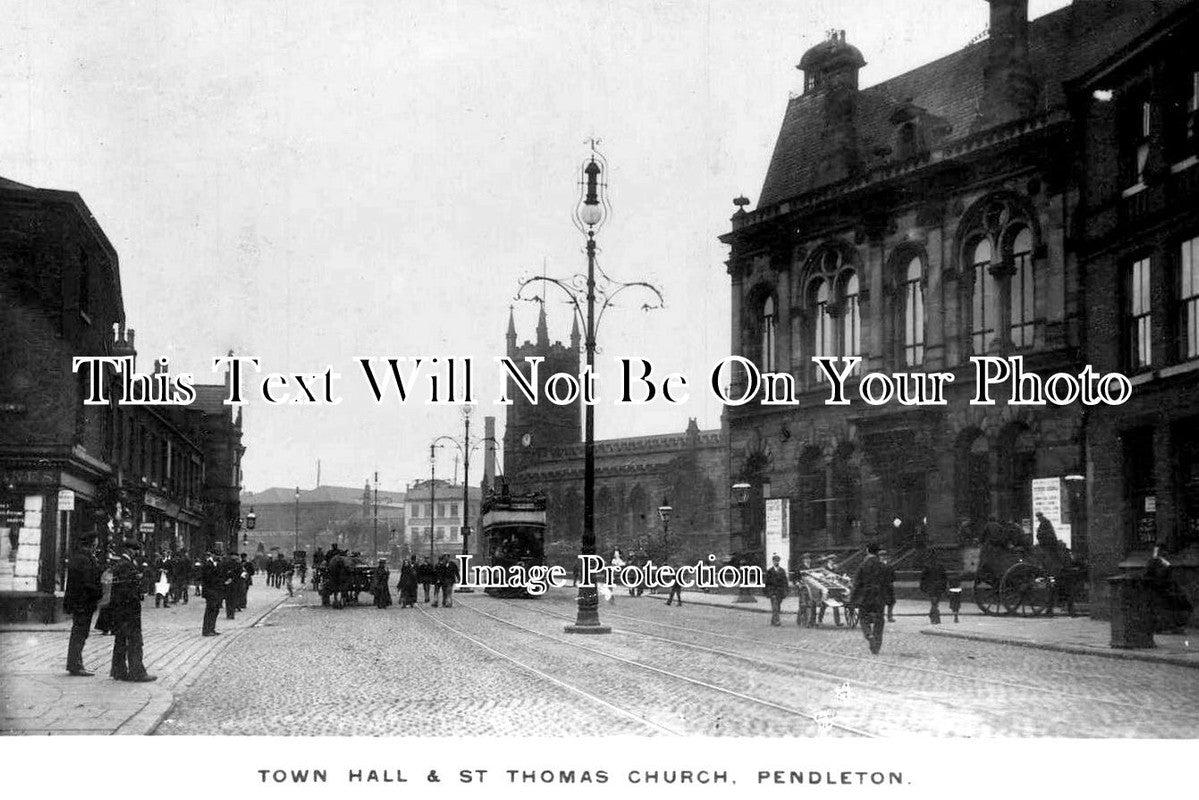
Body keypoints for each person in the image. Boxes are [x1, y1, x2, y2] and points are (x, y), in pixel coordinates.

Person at [109, 540, 155, 682]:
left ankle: (119, 671)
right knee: (135, 640)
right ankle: (137, 672)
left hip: (120, 609)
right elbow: (127, 588)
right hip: (129, 609)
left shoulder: (121, 564)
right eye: (135, 551)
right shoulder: (126, 565)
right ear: (130, 550)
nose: (136, 553)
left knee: (121, 639)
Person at [64, 532, 103, 676]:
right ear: (92, 542)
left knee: (79, 633)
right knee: (80, 633)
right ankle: (75, 665)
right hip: (83, 603)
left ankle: (75, 663)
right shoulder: (84, 559)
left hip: (81, 602)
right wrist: (98, 593)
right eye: (96, 541)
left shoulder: (81, 557)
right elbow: (87, 582)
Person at [849, 543, 889, 655]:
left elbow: (856, 584)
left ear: (867, 551)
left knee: (863, 618)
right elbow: (888, 583)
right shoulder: (883, 566)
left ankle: (869, 635)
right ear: (877, 552)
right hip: (879, 597)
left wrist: (852, 600)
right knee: (879, 620)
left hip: (865, 597)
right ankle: (877, 643)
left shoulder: (863, 565)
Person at [1146, 544, 1193, 633]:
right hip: (1159, 589)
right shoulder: (1156, 563)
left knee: (1180, 601)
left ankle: (1175, 626)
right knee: (1173, 602)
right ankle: (1167, 627)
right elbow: (1156, 576)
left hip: (1166, 588)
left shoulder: (1162, 563)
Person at [918, 549, 948, 624]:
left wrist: (922, 587)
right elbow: (944, 577)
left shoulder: (927, 566)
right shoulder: (940, 566)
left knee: (934, 603)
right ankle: (936, 617)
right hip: (938, 587)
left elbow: (923, 578)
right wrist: (944, 586)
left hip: (931, 587)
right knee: (935, 603)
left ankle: (933, 616)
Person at [200, 551, 223, 636]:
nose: (218, 557)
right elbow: (207, 578)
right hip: (210, 590)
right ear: (212, 555)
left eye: (219, 555)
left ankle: (212, 628)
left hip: (217, 591)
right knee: (210, 609)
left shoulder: (218, 564)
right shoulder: (207, 564)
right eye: (216, 555)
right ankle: (206, 630)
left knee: (216, 610)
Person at [764, 554, 789, 626]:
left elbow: (785, 582)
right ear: (773, 561)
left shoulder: (782, 571)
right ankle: (777, 621)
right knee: (775, 606)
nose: (776, 562)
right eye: (775, 561)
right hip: (773, 592)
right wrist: (768, 593)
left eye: (777, 561)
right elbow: (766, 583)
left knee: (778, 607)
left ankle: (773, 620)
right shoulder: (769, 571)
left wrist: (786, 591)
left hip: (780, 592)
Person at [882, 550, 897, 623]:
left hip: (884, 586)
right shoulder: (889, 566)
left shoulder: (889, 566)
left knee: (891, 601)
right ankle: (889, 616)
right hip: (887, 586)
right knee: (890, 602)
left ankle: (888, 616)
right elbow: (893, 577)